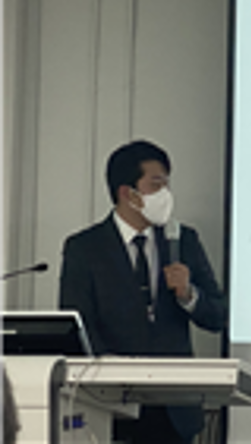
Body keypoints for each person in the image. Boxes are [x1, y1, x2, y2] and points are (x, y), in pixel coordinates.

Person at [59, 140, 227, 444]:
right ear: (128, 193)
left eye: (167, 184)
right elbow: (78, 324)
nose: (166, 194)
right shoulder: (84, 248)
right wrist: (111, 375)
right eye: (156, 184)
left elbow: (218, 315)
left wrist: (189, 295)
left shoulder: (183, 240)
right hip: (110, 405)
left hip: (175, 409)